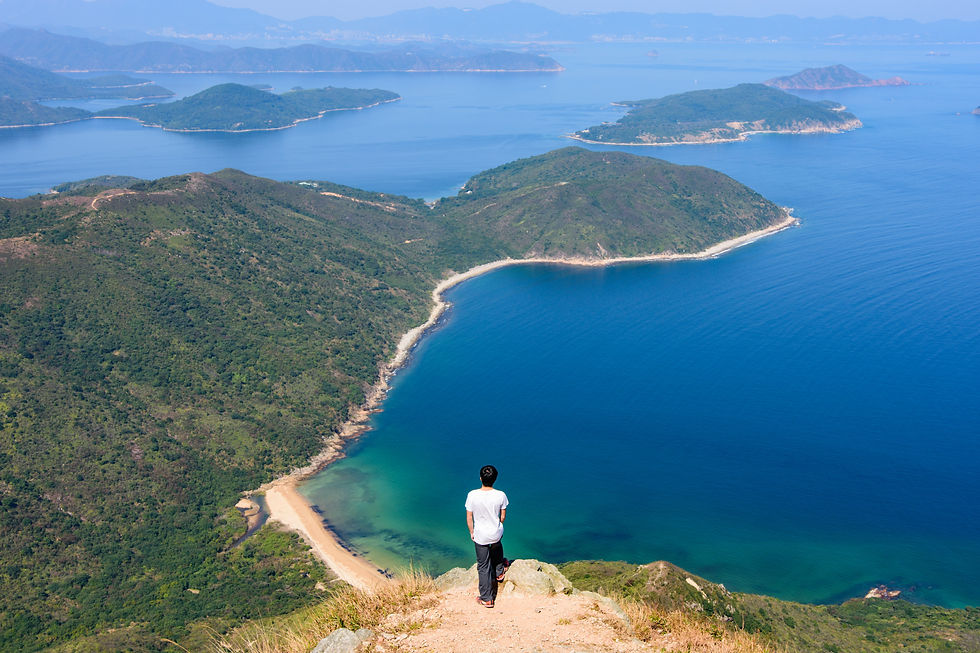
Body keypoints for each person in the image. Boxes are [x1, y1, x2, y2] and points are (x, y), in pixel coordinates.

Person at [465, 464, 510, 608]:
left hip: (481, 535)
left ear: (480, 478)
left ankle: (487, 598)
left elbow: (469, 518)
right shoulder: (501, 495)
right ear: (495, 479)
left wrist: (472, 532)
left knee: (483, 566)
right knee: (496, 545)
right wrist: (496, 524)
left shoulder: (472, 495)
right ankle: (499, 572)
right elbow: (502, 517)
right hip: (496, 533)